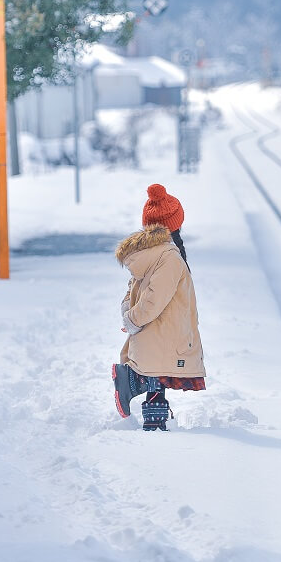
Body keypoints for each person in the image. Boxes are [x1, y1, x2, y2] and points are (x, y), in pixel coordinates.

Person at [112, 183, 206, 431]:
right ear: (175, 224)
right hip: (162, 333)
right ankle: (153, 421)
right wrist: (133, 319)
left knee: (157, 375)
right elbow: (152, 299)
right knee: (157, 376)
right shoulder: (169, 258)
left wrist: (128, 314)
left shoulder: (150, 254)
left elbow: (131, 292)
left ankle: (134, 385)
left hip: (154, 334)